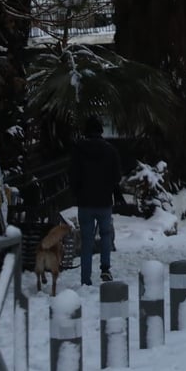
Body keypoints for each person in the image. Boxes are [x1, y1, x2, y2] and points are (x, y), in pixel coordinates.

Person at [70, 116, 122, 286]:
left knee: (86, 240)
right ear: (100, 131)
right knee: (106, 235)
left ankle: (86, 278)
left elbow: (73, 175)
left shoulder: (78, 150)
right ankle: (105, 269)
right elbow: (117, 177)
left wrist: (77, 192)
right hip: (104, 201)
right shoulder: (111, 150)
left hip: (85, 202)